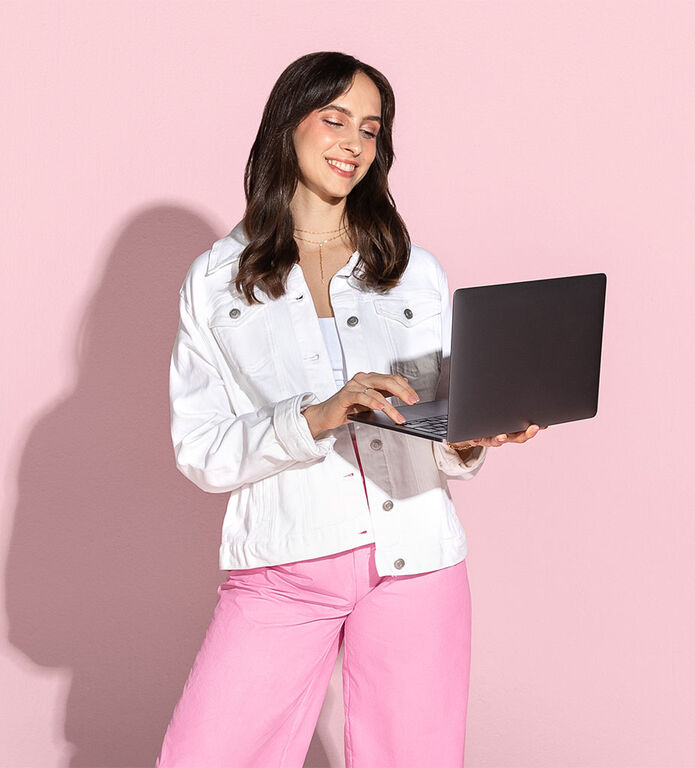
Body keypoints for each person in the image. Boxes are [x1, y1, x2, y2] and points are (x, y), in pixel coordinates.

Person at [156, 51, 545, 768]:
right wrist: (317, 415)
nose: (353, 145)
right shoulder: (215, 282)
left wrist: (471, 433)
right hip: (282, 567)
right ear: (287, 126)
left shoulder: (412, 272)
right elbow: (201, 450)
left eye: (370, 130)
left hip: (419, 562)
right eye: (334, 120)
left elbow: (434, 423)